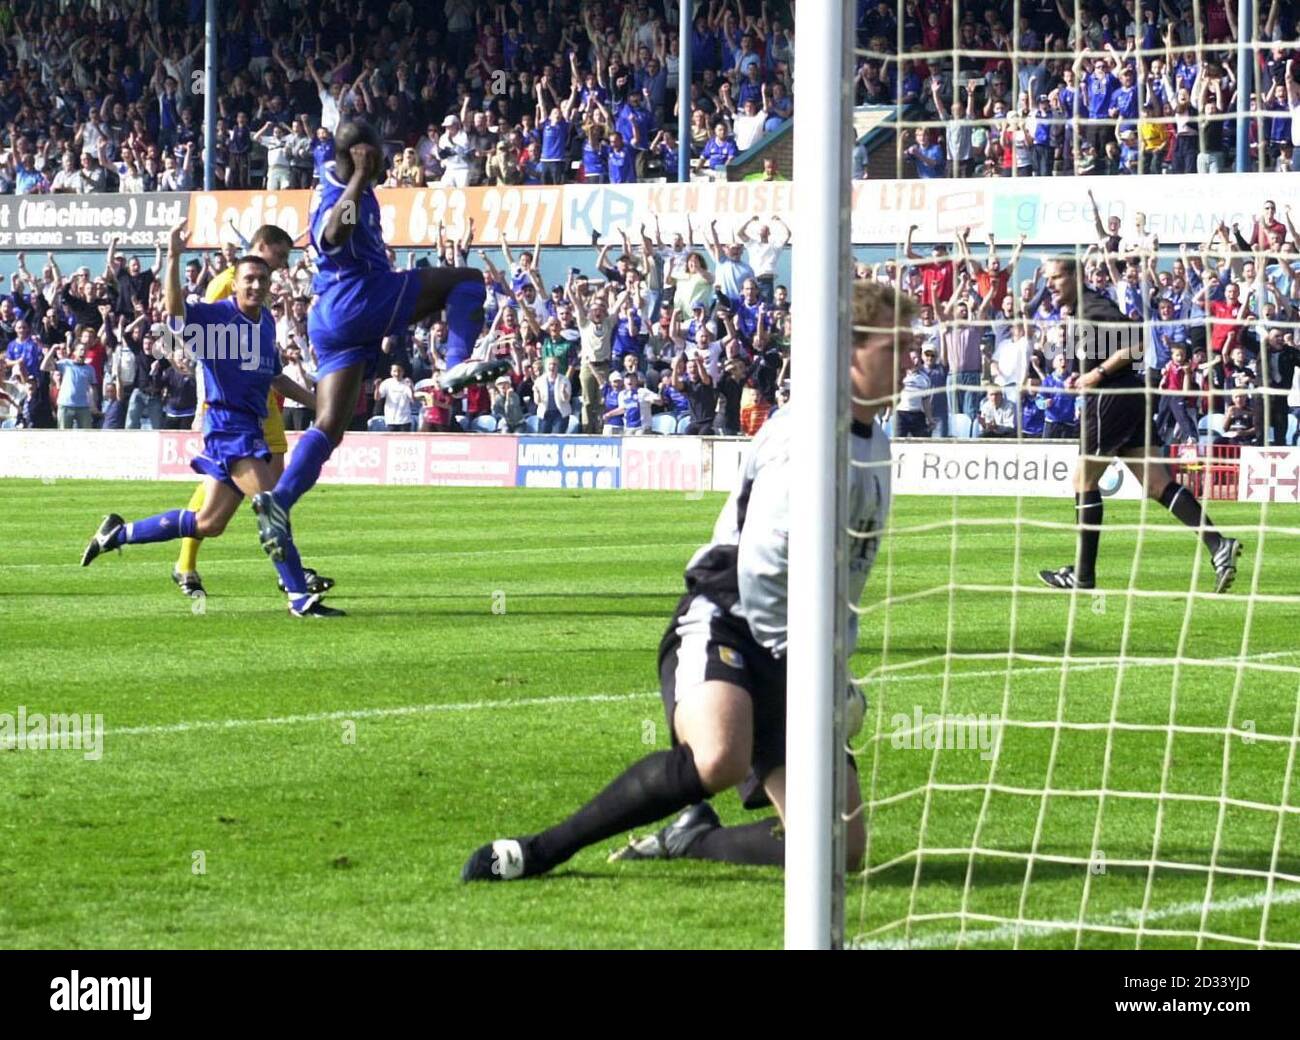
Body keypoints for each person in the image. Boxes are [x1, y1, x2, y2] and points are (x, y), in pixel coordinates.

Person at [460, 280, 911, 882]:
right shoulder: (806, 437)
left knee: (840, 852)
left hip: (799, 641)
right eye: (895, 347)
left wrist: (835, 661)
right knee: (719, 756)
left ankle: (693, 839)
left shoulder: (874, 445)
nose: (909, 360)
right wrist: (814, 670)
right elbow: (763, 569)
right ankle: (539, 851)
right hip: (732, 612)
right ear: (849, 350)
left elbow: (850, 575)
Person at [249, 121, 486, 566]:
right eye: (379, 156)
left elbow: (332, 149)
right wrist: (359, 177)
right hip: (356, 296)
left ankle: (278, 501)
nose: (388, 163)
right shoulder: (341, 193)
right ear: (364, 156)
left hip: (333, 317)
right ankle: (456, 365)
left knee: (329, 426)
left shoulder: (333, 171)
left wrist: (355, 169)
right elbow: (333, 235)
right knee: (467, 282)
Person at [80, 220, 340, 618]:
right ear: (235, 280)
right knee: (271, 507)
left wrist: (317, 402)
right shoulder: (217, 315)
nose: (256, 286)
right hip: (227, 427)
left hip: (247, 427)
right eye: (249, 279)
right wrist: (174, 256)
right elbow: (175, 314)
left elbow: (273, 375)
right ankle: (297, 597)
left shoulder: (265, 321)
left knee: (208, 523)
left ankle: (119, 533)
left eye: (262, 281)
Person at [1037, 257, 1241, 593]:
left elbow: (1136, 343)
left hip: (1111, 400)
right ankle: (1219, 545)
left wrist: (1096, 374)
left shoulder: (1092, 305)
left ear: (1074, 276)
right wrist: (1083, 370)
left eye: (1057, 277)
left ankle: (1083, 576)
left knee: (1082, 480)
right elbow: (1110, 349)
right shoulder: (1080, 310)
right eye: (1049, 279)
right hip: (1129, 398)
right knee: (1156, 483)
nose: (1052, 285)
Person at [170, 224, 333, 601]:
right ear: (260, 248)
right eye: (279, 256)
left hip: (260, 397)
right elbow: (197, 344)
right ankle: (188, 563)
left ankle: (287, 569)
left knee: (270, 488)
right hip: (233, 408)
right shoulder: (228, 285)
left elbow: (265, 362)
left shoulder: (261, 293)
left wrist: (313, 400)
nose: (282, 265)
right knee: (245, 489)